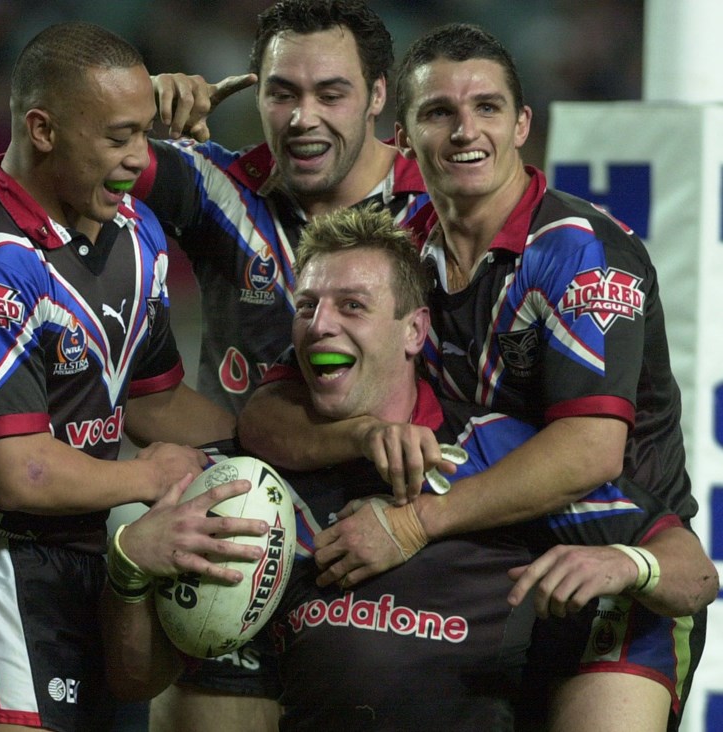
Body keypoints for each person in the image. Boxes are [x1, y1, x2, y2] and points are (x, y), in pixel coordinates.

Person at [237, 22, 715, 732]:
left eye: (487, 108)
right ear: (403, 134)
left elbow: (590, 451)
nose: (466, 131)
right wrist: (369, 434)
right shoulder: (389, 241)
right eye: (439, 112)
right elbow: (269, 412)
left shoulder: (581, 254)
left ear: (521, 123)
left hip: (613, 554)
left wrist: (414, 521)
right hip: (479, 561)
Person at [101, 206, 717, 731]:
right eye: (307, 306)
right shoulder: (245, 483)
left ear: (415, 331)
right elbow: (135, 679)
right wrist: (131, 564)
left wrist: (628, 562)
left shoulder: (496, 451)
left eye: (353, 305)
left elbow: (694, 576)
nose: (321, 326)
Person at [0, 21, 269, 732]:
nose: (136, 161)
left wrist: (265, 443)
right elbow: (17, 470)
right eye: (117, 137)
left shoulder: (137, 234)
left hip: (92, 565)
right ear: (43, 130)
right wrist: (149, 479)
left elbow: (151, 404)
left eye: (143, 136)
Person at [137, 0, 428, 415]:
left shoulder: (435, 209)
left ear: (377, 94)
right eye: (283, 94)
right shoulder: (217, 187)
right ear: (257, 96)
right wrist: (134, 100)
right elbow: (76, 147)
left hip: (391, 473)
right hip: (242, 473)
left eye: (330, 95)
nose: (301, 118)